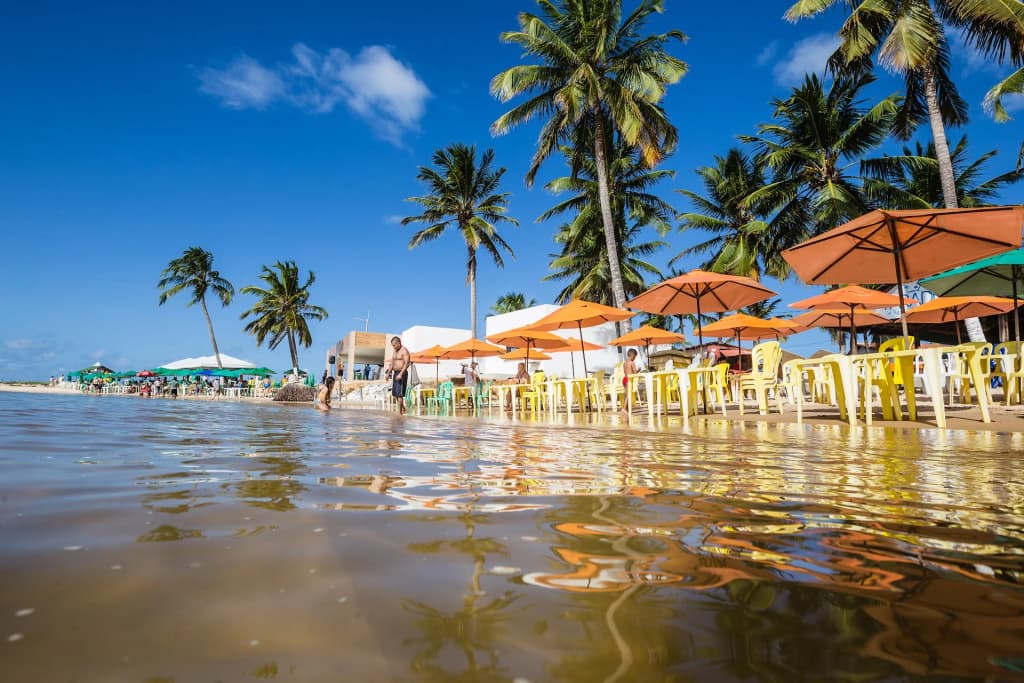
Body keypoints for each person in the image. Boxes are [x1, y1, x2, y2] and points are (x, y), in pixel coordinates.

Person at [388, 336, 411, 415]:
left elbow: (407, 363)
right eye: (392, 345)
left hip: (402, 373)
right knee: (394, 394)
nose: (393, 347)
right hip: (395, 373)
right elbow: (392, 363)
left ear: (399, 343)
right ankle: (403, 408)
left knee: (399, 395)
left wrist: (401, 374)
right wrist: (388, 373)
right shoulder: (395, 351)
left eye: (394, 345)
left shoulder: (404, 351)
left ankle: (400, 413)